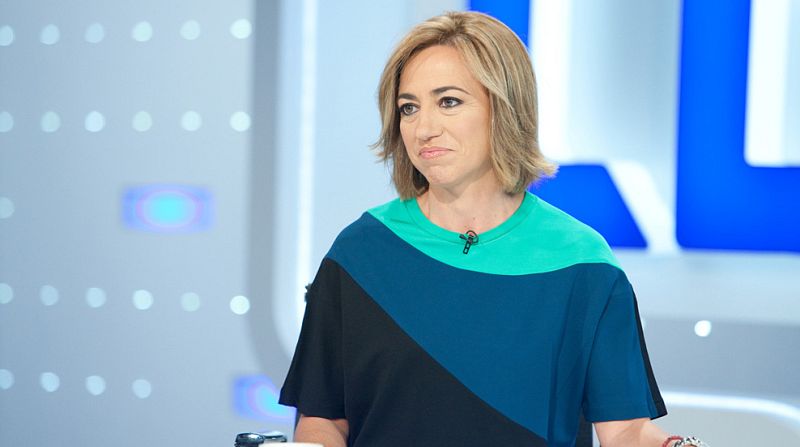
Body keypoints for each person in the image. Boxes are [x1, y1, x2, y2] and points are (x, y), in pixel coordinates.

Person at [278, 11, 708, 447]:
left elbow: (625, 429)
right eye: (409, 108)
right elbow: (322, 420)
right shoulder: (360, 253)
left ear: (504, 108)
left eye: (449, 102)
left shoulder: (583, 263)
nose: (424, 129)